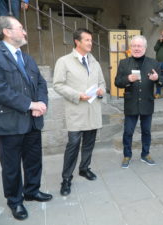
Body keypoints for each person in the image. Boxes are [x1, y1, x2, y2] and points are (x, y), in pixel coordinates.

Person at [0, 16, 52, 220]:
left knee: (34, 160)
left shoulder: (27, 58)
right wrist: (29, 104)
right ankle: (15, 201)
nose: (25, 32)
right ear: (7, 32)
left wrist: (41, 104)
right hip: (9, 122)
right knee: (11, 166)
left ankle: (32, 191)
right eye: (21, 28)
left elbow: (42, 84)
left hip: (33, 120)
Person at [53, 28, 106, 196]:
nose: (91, 43)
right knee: (73, 145)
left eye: (91, 40)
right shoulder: (64, 61)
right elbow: (58, 85)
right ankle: (66, 178)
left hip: (93, 109)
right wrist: (77, 95)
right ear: (77, 41)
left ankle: (84, 168)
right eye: (87, 40)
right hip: (76, 110)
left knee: (89, 143)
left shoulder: (95, 62)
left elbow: (102, 83)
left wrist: (101, 91)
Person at [115, 35, 163, 168]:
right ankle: (127, 155)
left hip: (147, 103)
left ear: (145, 48)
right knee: (128, 132)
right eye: (134, 46)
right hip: (131, 103)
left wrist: (156, 78)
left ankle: (145, 154)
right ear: (131, 48)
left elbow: (162, 82)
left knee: (146, 131)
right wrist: (128, 79)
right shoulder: (124, 63)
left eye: (139, 46)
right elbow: (117, 82)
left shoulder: (153, 63)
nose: (137, 48)